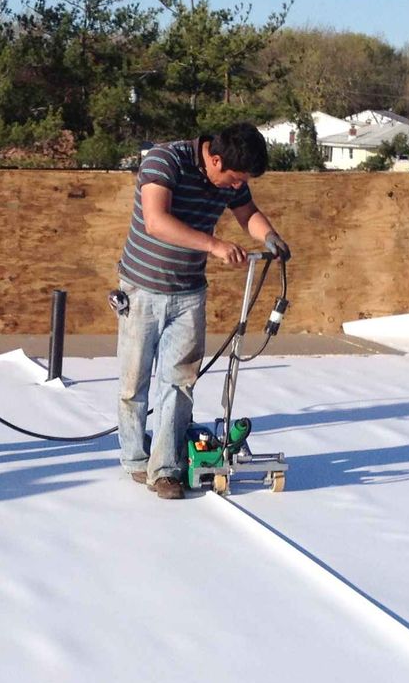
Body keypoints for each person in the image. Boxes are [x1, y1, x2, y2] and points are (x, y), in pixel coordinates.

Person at [116, 122, 288, 499]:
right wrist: (214, 245)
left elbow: (248, 213)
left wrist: (270, 236)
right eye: (232, 179)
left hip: (189, 290)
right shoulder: (166, 161)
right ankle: (133, 459)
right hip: (141, 287)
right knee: (134, 382)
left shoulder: (231, 175)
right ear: (213, 158)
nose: (234, 187)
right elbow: (156, 221)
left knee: (179, 382)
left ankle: (164, 470)